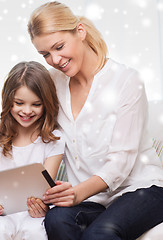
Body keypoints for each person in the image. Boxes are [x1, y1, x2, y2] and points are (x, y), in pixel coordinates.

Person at [27, 1, 163, 240]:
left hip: (140, 189)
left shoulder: (126, 80)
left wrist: (77, 193)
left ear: (80, 31)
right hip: (92, 199)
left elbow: (121, 162)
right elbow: (36, 137)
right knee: (56, 220)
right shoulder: (53, 83)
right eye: (45, 54)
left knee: (100, 234)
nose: (55, 59)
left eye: (59, 47)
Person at [0, 61, 65, 239]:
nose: (26, 111)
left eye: (36, 104)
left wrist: (42, 207)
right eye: (19, 103)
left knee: (35, 232)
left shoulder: (54, 139)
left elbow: (45, 192)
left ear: (46, 104)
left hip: (35, 215)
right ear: (8, 101)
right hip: (2, 216)